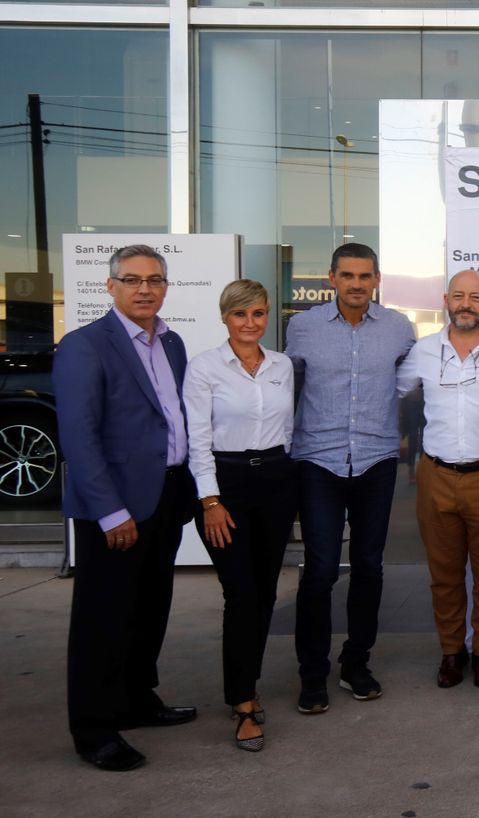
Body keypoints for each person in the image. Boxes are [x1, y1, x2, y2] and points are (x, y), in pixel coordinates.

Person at [55, 244, 198, 771]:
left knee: (149, 607)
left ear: (165, 287)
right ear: (110, 286)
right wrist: (111, 511)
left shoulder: (172, 342)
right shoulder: (85, 345)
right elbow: (79, 437)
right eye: (133, 279)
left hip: (164, 496)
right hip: (115, 508)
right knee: (103, 619)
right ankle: (94, 729)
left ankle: (136, 699)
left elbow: (170, 416)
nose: (145, 289)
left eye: (154, 280)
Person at [286, 243, 416, 714]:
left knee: (368, 567)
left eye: (365, 276)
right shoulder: (303, 327)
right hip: (318, 461)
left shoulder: (399, 328)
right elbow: (285, 386)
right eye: (347, 275)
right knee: (320, 570)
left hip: (376, 460)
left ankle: (356, 662)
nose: (356, 284)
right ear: (332, 278)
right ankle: (312, 672)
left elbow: (417, 382)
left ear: (377, 279)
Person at [183, 279, 296, 752]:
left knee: (266, 592)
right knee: (241, 593)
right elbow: (197, 440)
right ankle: (243, 702)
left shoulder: (281, 365)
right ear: (225, 317)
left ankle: (246, 683)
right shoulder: (204, 367)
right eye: (240, 314)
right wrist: (210, 501)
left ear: (267, 316)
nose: (250, 323)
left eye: (258, 313)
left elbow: (288, 428)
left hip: (275, 480)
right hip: (226, 486)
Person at [396, 270, 479, 692]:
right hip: (437, 474)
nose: (466, 304)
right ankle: (451, 651)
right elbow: (391, 393)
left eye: (475, 297)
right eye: (459, 296)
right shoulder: (424, 350)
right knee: (444, 573)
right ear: (446, 300)